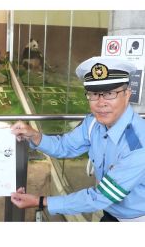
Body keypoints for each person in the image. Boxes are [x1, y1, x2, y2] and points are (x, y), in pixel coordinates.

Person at [11, 56, 145, 222]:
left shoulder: (139, 143)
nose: (101, 103)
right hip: (111, 213)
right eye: (94, 94)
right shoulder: (93, 124)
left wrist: (41, 201)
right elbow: (65, 146)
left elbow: (100, 197)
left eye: (110, 93)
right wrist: (35, 135)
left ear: (127, 95)